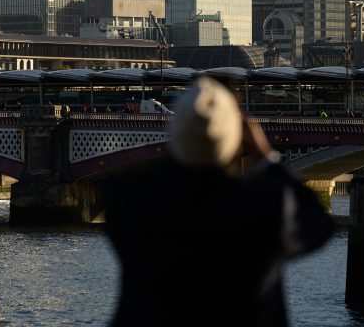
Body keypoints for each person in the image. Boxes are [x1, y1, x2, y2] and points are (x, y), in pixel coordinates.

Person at [104, 76, 333, 327]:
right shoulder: (266, 205)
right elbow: (318, 223)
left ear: (176, 133)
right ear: (235, 142)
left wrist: (187, 141)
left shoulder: (127, 197)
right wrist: (266, 157)